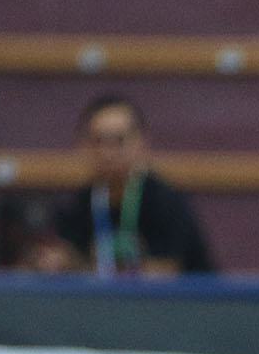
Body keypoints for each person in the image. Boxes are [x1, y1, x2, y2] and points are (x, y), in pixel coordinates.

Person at [30, 95, 217, 277]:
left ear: (142, 143)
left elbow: (163, 276)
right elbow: (68, 261)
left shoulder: (166, 202)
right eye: (98, 141)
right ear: (83, 145)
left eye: (119, 141)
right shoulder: (77, 204)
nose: (107, 152)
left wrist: (87, 269)